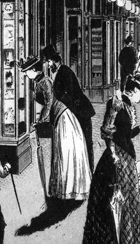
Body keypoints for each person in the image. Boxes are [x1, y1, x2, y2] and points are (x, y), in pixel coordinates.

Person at [81, 74, 140, 244]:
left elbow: (125, 134)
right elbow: (107, 133)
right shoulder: (117, 103)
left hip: (127, 156)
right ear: (134, 90)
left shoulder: (129, 106)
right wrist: (114, 156)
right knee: (112, 200)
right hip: (116, 159)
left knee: (128, 200)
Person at [21, 56, 91, 201]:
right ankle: (63, 188)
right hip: (59, 116)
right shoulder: (38, 82)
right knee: (61, 152)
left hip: (63, 117)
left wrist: (41, 121)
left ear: (34, 70)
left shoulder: (45, 81)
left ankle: (70, 189)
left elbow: (49, 103)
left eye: (27, 71)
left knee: (65, 151)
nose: (26, 74)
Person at [42, 44, 96, 172]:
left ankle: (90, 171)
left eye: (49, 62)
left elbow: (69, 94)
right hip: (75, 111)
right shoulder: (60, 71)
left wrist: (63, 108)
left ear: (55, 60)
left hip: (81, 111)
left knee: (86, 142)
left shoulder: (64, 71)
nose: (48, 65)